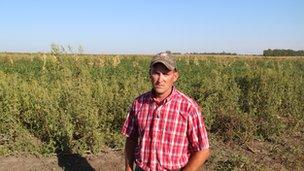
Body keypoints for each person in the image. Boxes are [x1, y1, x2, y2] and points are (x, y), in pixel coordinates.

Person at [121, 52, 210, 171]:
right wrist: (128, 167)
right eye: (156, 73)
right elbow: (131, 138)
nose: (160, 79)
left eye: (166, 74)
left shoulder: (188, 107)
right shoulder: (139, 103)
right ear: (150, 74)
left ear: (175, 76)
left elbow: (203, 150)